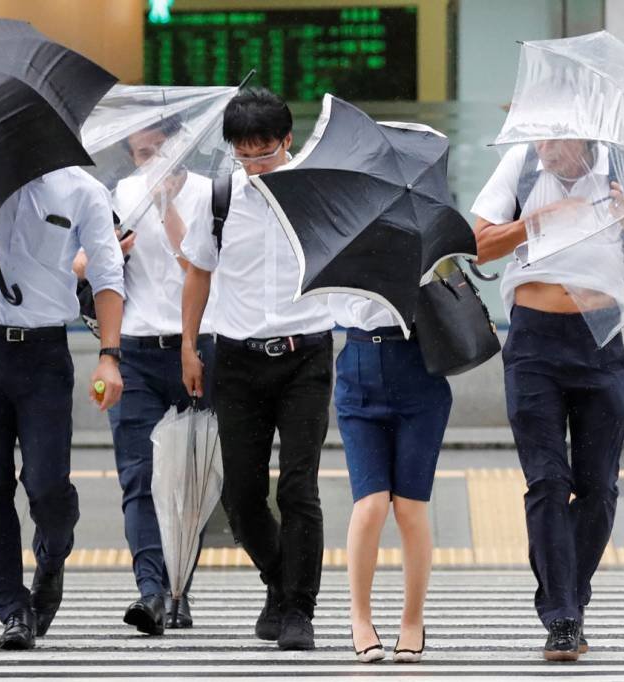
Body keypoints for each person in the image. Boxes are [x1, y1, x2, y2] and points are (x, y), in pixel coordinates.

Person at [471, 139, 624, 661]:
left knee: (598, 488)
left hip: (600, 338)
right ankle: (563, 617)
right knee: (548, 480)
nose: (546, 147)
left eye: (557, 139)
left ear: (586, 138)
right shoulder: (522, 165)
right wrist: (538, 220)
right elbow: (477, 244)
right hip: (533, 340)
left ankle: (569, 596)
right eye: (541, 136)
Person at [180, 88, 335, 652]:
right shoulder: (220, 198)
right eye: (243, 154)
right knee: (242, 499)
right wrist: (189, 347)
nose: (254, 164)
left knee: (298, 487)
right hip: (238, 360)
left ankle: (299, 610)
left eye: (264, 152)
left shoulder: (317, 190)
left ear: (287, 140)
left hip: (306, 357)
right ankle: (278, 579)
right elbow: (198, 273)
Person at [0, 166, 125, 651]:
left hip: (44, 354)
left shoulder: (82, 190)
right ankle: (12, 609)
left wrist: (109, 357)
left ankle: (51, 557)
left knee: (47, 486)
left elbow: (108, 272)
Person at [73, 116, 217, 635]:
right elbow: (82, 266)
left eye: (161, 149)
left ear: (182, 147)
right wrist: (110, 250)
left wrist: (166, 207)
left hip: (195, 350)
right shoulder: (118, 194)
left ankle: (181, 589)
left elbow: (196, 269)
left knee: (188, 479)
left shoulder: (209, 194)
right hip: (133, 349)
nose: (151, 160)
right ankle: (151, 592)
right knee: (139, 477)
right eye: (140, 152)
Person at [330, 295, 451, 664]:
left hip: (418, 365)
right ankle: (360, 617)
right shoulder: (340, 244)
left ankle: (412, 621)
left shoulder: (417, 240)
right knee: (371, 504)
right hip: (359, 367)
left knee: (411, 508)